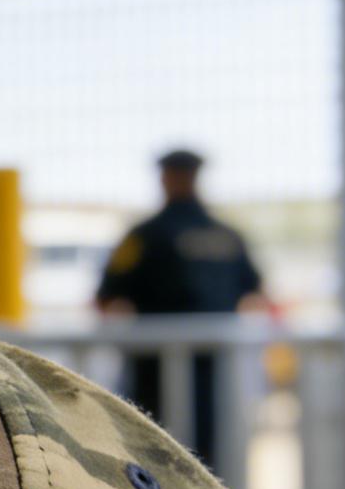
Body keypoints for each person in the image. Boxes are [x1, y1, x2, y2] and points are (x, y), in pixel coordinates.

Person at [95, 145, 265, 470]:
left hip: (153, 373)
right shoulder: (226, 236)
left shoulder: (144, 236)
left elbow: (106, 298)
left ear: (165, 179)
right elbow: (255, 293)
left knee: (154, 461)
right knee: (212, 462)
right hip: (216, 372)